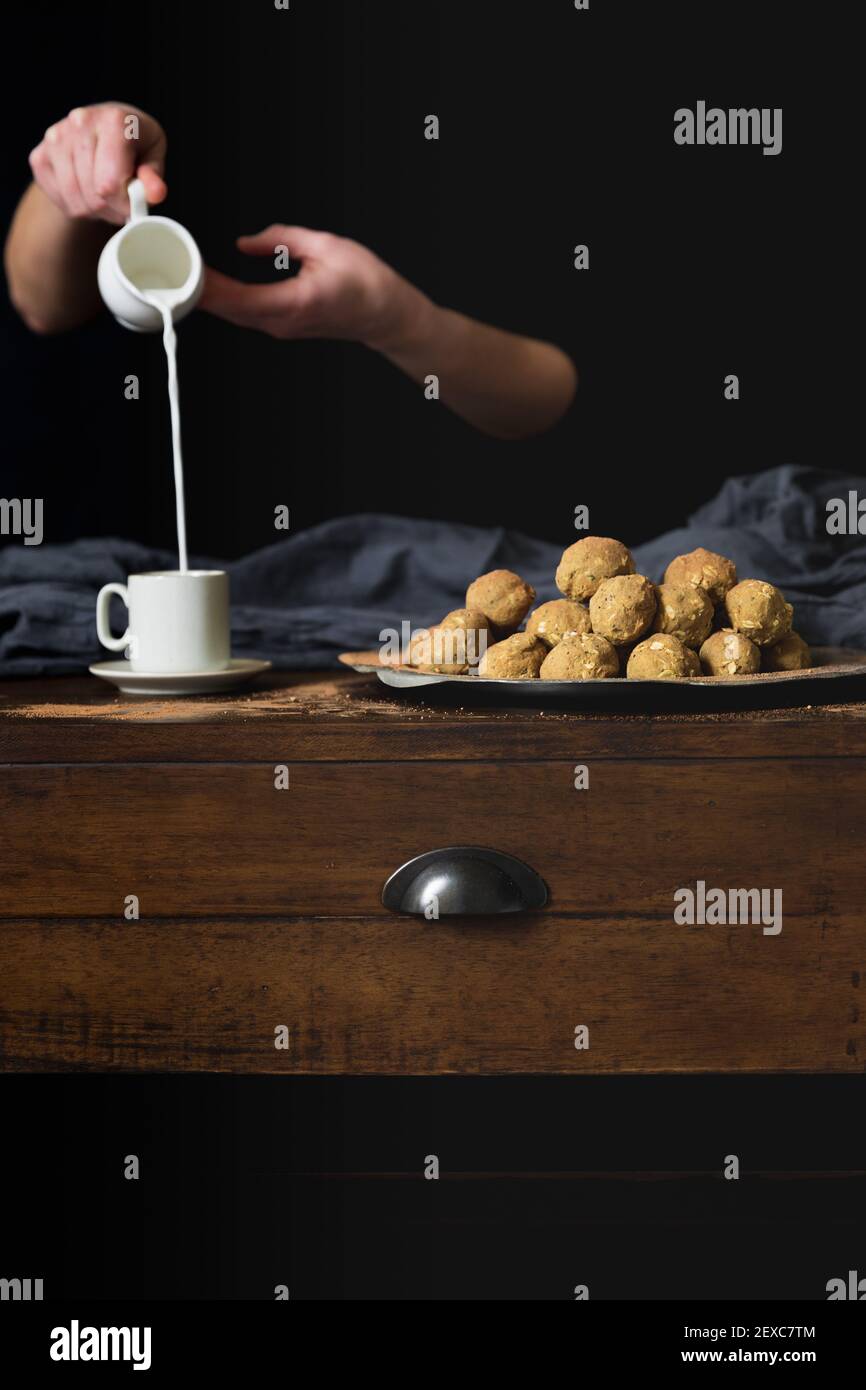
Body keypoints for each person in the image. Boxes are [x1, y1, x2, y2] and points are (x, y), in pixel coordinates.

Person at [4, 102, 577, 442]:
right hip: (100, 524)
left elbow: (555, 394)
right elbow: (39, 305)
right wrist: (89, 162)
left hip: (400, 570)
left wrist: (401, 324)